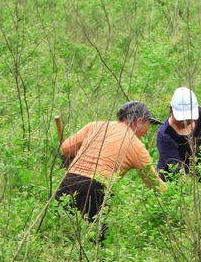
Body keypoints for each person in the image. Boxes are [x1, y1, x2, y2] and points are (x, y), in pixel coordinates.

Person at [55, 101, 166, 240]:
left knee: (61, 235)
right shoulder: (136, 145)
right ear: (138, 121)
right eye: (148, 124)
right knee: (95, 241)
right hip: (95, 189)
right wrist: (173, 195)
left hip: (67, 183)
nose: (148, 130)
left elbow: (66, 148)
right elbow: (153, 182)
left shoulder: (95, 126)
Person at [156, 87, 201, 181]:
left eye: (189, 118)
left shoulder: (199, 116)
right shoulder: (165, 135)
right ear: (171, 110)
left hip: (197, 170)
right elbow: (176, 170)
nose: (184, 122)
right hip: (172, 179)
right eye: (181, 119)